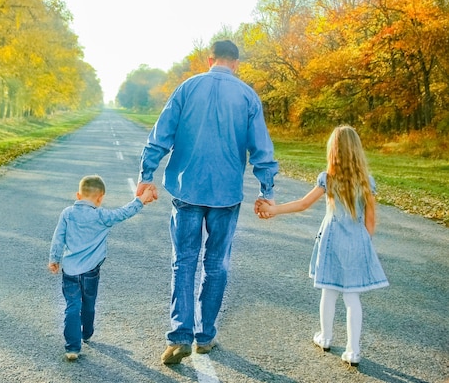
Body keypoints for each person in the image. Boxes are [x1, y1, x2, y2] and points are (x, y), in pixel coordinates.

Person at [136, 40, 279, 365]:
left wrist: (146, 175)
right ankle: (205, 336)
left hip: (187, 191)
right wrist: (265, 192)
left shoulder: (187, 88)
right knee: (216, 265)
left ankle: (179, 337)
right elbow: (262, 150)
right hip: (226, 196)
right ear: (236, 64)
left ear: (210, 59)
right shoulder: (247, 96)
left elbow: (160, 136)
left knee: (184, 262)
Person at [256, 125, 389, 367]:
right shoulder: (367, 182)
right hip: (357, 241)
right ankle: (353, 351)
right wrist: (363, 243)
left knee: (328, 291)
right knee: (352, 297)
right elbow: (370, 220)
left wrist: (274, 209)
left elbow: (303, 204)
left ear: (333, 150)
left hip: (332, 239)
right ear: (357, 151)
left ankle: (325, 337)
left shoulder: (327, 178)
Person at [48, 175, 155, 361]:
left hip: (70, 271)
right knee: (88, 303)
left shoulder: (67, 213)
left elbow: (59, 238)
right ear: (100, 197)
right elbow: (123, 213)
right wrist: (141, 200)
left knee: (72, 306)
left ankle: (72, 347)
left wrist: (54, 259)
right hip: (90, 272)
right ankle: (87, 332)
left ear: (78, 195)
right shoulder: (102, 216)